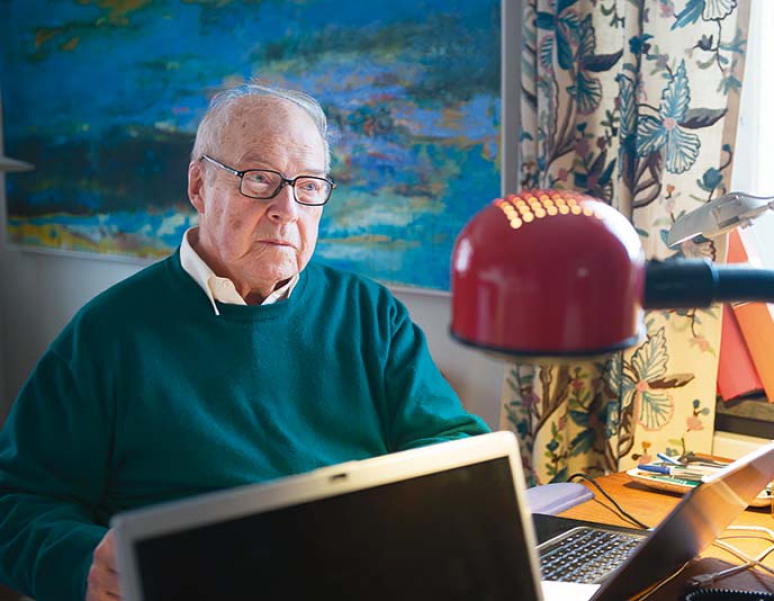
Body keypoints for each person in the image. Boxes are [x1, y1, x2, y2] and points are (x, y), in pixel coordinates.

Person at [0, 84, 489, 601]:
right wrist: (85, 564)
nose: (287, 209)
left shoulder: (371, 314)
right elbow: (16, 504)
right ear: (199, 185)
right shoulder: (107, 334)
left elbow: (454, 446)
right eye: (259, 179)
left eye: (308, 185)